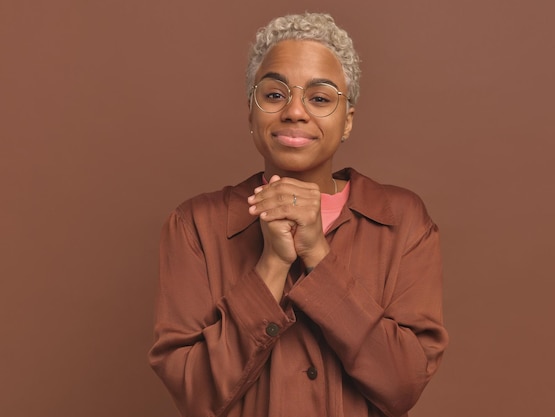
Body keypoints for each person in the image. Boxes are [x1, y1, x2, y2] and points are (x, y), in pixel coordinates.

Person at [149, 12, 448, 417]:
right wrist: (272, 265)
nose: (294, 111)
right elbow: (196, 395)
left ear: (347, 122)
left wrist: (317, 256)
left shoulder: (403, 221)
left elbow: (403, 383)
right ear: (251, 114)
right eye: (274, 95)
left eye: (320, 98)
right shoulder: (195, 226)